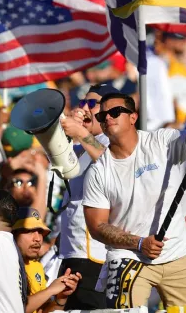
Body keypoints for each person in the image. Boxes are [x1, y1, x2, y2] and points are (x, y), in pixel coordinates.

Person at [83, 92, 186, 308]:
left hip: (177, 253)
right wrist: (139, 243)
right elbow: (96, 227)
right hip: (128, 257)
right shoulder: (98, 171)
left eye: (115, 112)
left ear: (133, 117)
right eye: (102, 115)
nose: (107, 118)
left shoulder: (161, 141)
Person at [56, 82, 113, 309]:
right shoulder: (83, 147)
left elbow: (113, 166)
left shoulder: (113, 139)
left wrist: (80, 133)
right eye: (83, 102)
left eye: (92, 103)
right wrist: (65, 133)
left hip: (97, 254)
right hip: (73, 249)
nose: (85, 109)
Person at [13, 207, 81, 313]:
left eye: (40, 232)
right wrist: (50, 290)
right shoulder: (5, 265)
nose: (38, 238)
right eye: (29, 231)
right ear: (13, 233)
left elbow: (43, 311)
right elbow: (13, 309)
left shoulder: (36, 266)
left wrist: (61, 297)